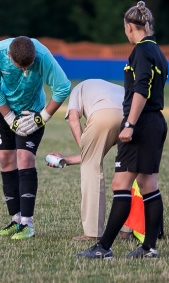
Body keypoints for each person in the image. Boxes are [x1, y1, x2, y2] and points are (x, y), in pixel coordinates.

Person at [76, 0, 168, 259]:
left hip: (141, 124)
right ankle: (149, 247)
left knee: (121, 183)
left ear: (129, 26)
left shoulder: (140, 51)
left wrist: (129, 124)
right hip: (156, 122)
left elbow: (141, 89)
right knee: (148, 183)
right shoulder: (157, 51)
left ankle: (103, 247)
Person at [0, 36, 71, 240]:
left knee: (25, 159)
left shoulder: (42, 56)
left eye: (28, 67)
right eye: (19, 66)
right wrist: (9, 118)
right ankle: (15, 220)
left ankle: (28, 224)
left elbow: (63, 87)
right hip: (1, 109)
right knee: (5, 159)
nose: (25, 71)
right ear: (9, 56)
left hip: (31, 111)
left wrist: (43, 117)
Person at [46, 79, 128, 241]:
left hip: (103, 115)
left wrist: (84, 146)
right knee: (129, 170)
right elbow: (98, 152)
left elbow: (73, 117)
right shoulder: (111, 88)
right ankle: (128, 229)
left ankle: (92, 232)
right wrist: (66, 160)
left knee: (92, 168)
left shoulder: (78, 89)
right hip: (132, 116)